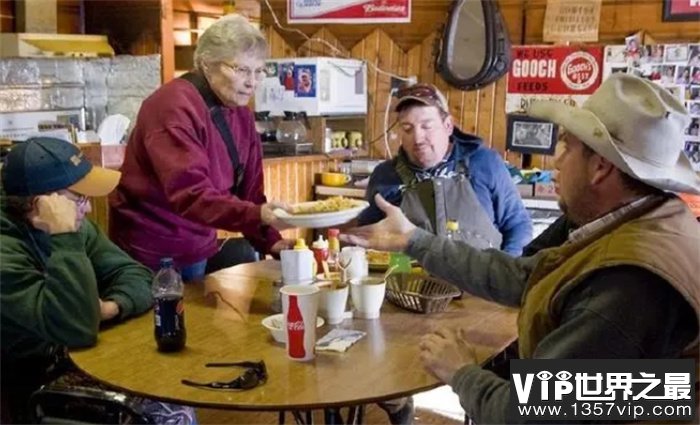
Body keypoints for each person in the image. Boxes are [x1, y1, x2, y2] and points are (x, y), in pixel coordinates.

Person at [341, 73, 700, 423]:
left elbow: (527, 413)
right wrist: (413, 240)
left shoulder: (628, 285)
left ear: (601, 168)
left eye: (566, 146)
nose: (556, 161)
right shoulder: (641, 216)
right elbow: (521, 275)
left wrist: (461, 371)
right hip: (636, 398)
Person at [0, 137, 194, 423]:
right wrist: (64, 239)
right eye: (79, 197)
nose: (88, 209)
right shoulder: (10, 249)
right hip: (29, 386)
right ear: (40, 202)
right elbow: (77, 328)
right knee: (161, 413)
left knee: (172, 387)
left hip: (78, 359)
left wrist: (111, 307)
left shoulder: (77, 227)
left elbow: (138, 276)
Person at [110, 15, 294, 281]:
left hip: (197, 245)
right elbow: (190, 194)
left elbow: (250, 193)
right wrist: (258, 215)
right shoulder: (172, 107)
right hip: (150, 251)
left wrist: (271, 242)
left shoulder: (240, 112)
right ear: (206, 64)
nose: (252, 82)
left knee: (195, 322)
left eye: (258, 71)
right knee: (160, 322)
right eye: (241, 69)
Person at [357, 83, 532, 256]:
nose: (417, 138)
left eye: (427, 126)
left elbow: (518, 225)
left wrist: (507, 269)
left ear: (448, 125)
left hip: (481, 282)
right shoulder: (385, 176)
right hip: (411, 283)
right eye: (407, 129)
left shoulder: (485, 163)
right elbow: (367, 238)